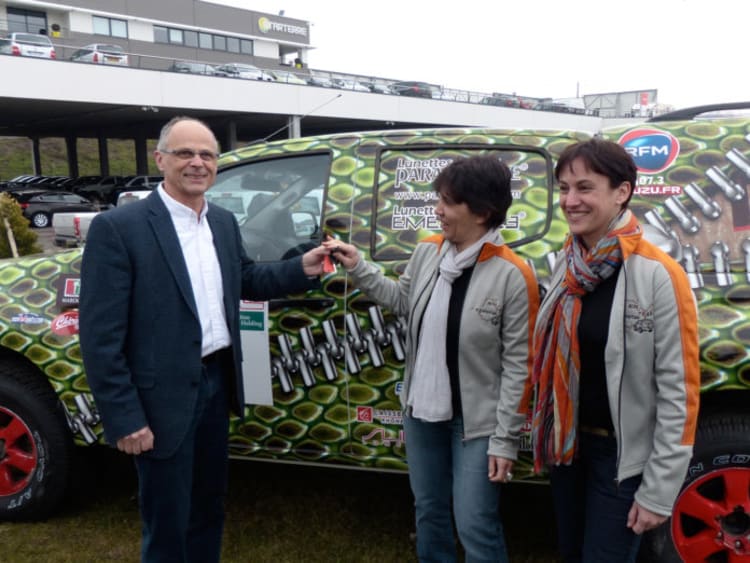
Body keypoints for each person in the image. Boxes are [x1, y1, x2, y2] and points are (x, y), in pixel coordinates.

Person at [78, 116, 328, 563]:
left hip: (215, 384)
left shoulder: (224, 223)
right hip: (160, 398)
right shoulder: (120, 229)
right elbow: (100, 337)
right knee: (167, 520)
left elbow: (246, 278)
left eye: (207, 154)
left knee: (209, 507)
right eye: (185, 153)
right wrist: (125, 418)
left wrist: (301, 268)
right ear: (161, 160)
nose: (197, 163)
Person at [324, 154, 540, 562]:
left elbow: (519, 366)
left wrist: (505, 440)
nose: (437, 211)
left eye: (447, 202)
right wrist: (359, 267)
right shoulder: (429, 252)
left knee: (474, 521)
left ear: (482, 211)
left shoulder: (513, 275)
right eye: (438, 199)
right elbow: (403, 302)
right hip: (421, 412)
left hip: (476, 423)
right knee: (430, 513)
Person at [530, 138, 700, 562]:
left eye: (584, 187)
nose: (570, 200)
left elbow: (679, 393)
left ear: (621, 192)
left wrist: (659, 492)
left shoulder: (660, 274)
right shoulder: (567, 264)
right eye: (564, 188)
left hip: (620, 461)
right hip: (567, 448)